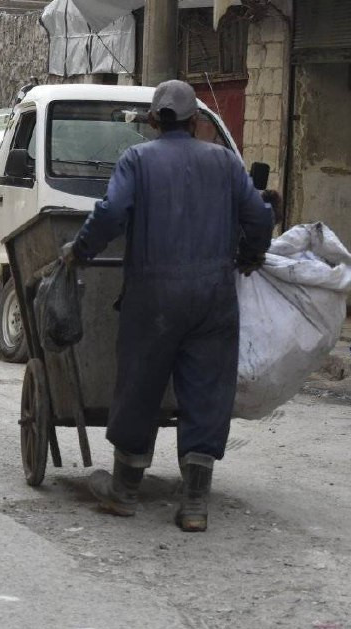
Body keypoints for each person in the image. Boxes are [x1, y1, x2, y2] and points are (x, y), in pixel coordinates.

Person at [62, 80, 276, 532]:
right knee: (206, 390)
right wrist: (251, 255)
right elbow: (259, 216)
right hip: (214, 298)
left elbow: (111, 211)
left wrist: (80, 250)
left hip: (152, 296)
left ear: (155, 121)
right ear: (196, 122)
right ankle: (195, 502)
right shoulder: (224, 161)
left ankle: (123, 492)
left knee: (140, 384)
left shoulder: (137, 159)